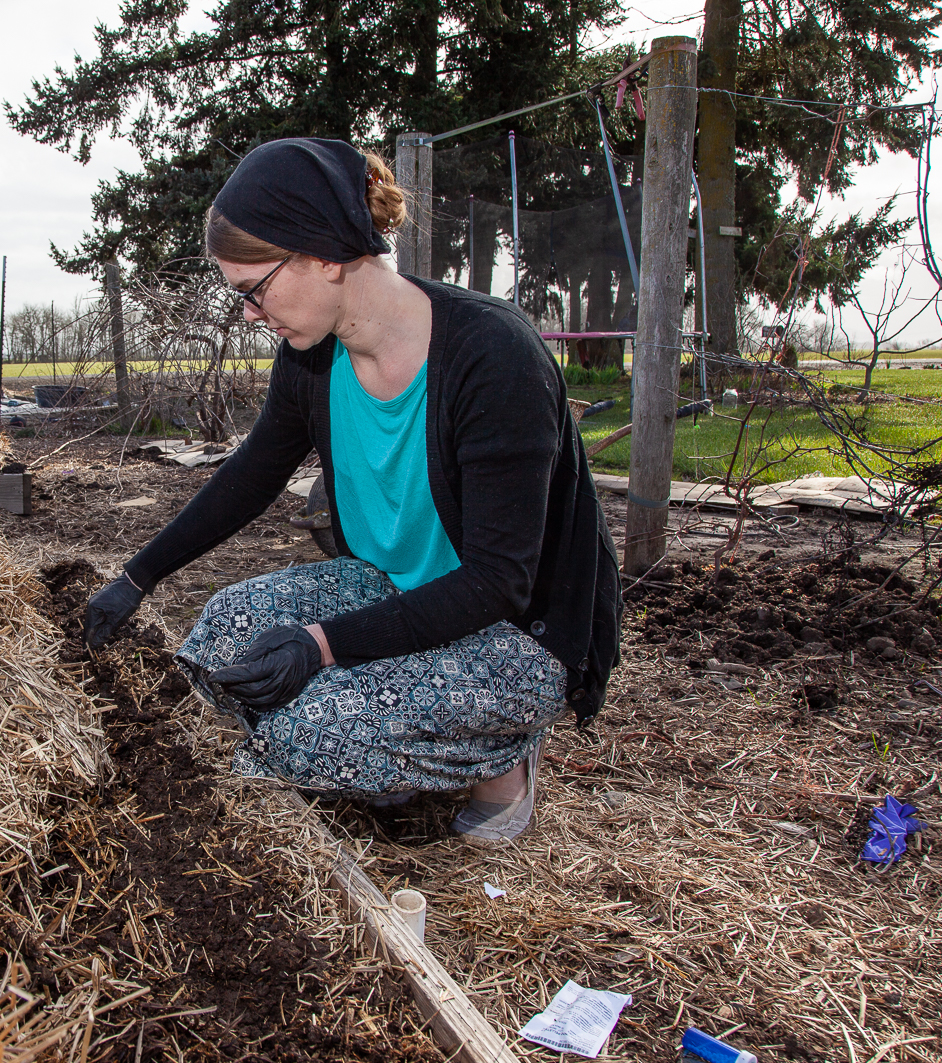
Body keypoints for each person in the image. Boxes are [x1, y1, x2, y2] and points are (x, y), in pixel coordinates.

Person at [84, 137, 621, 845]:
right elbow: (251, 475)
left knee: (311, 729)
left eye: (254, 289)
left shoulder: (493, 357)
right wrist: (137, 575)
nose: (249, 312)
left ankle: (503, 753)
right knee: (218, 637)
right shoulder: (311, 358)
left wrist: (322, 644)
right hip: (391, 587)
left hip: (517, 631)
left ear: (325, 253)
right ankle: (397, 744)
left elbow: (499, 583)